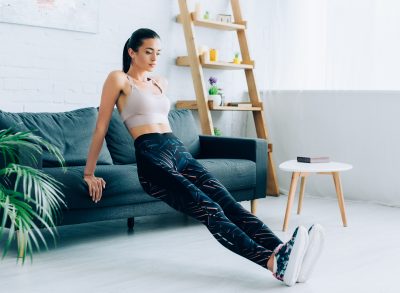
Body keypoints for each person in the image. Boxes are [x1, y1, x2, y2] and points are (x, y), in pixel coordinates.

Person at [83, 28, 325, 287]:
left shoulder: (160, 82)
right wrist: (89, 173)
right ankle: (271, 262)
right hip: (152, 157)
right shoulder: (118, 79)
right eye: (148, 51)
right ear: (132, 52)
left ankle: (283, 252)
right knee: (210, 209)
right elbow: (101, 127)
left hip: (178, 151)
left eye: (158, 52)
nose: (154, 58)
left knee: (229, 204)